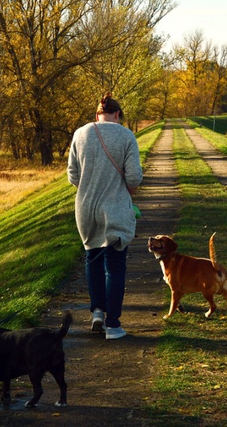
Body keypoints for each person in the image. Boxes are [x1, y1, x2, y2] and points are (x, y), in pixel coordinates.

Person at [67, 93, 143, 340]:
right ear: (118, 114)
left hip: (85, 209)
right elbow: (134, 177)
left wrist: (90, 186)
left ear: (97, 115)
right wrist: (125, 191)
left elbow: (73, 176)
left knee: (93, 259)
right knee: (115, 265)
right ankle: (113, 325)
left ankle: (97, 311)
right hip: (115, 209)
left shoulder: (80, 134)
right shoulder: (126, 136)